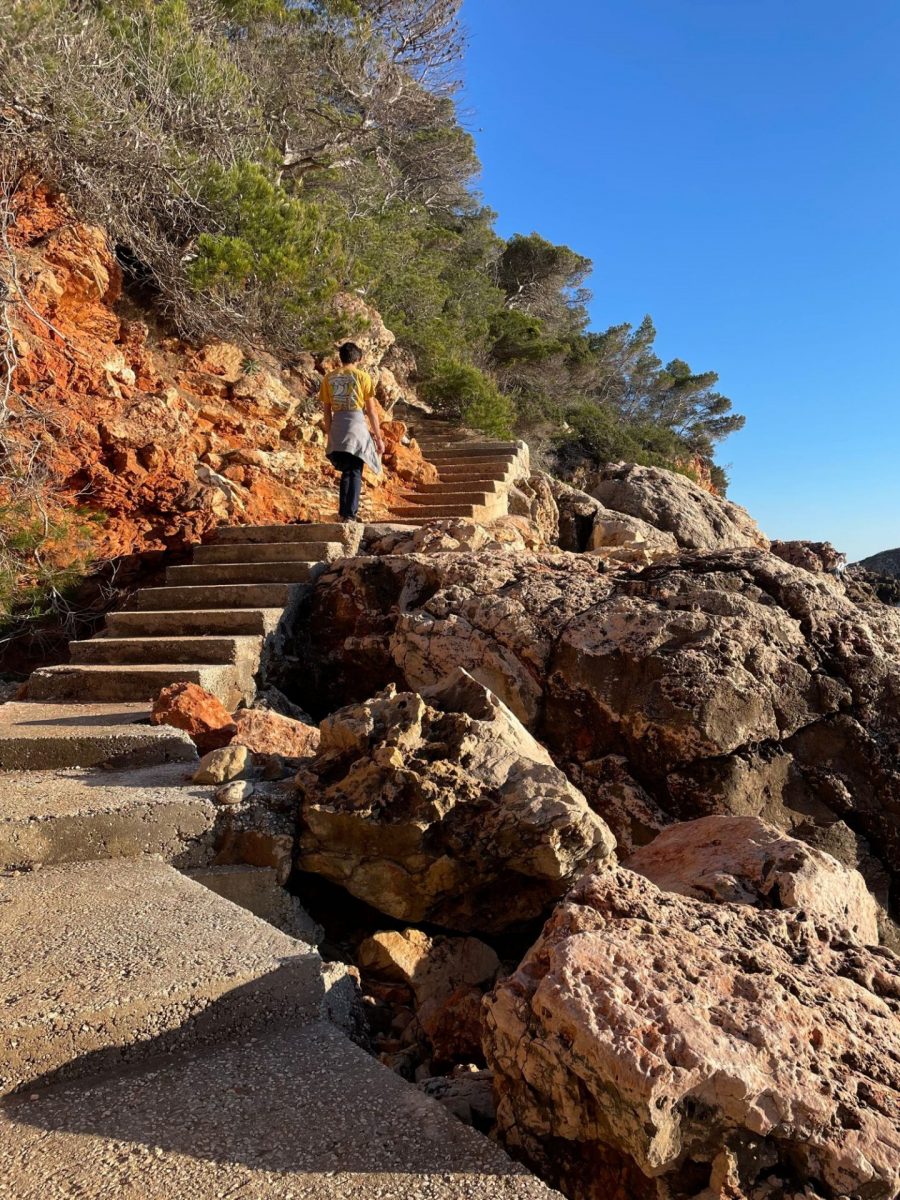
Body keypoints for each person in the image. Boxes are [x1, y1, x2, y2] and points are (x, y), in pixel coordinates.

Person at [320, 342, 385, 523]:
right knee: (355, 470)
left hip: (337, 426)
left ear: (340, 358)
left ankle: (344, 513)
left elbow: (326, 411)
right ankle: (350, 514)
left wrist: (330, 433)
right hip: (356, 426)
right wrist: (378, 437)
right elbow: (371, 411)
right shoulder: (363, 377)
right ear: (359, 359)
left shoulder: (329, 378)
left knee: (347, 470)